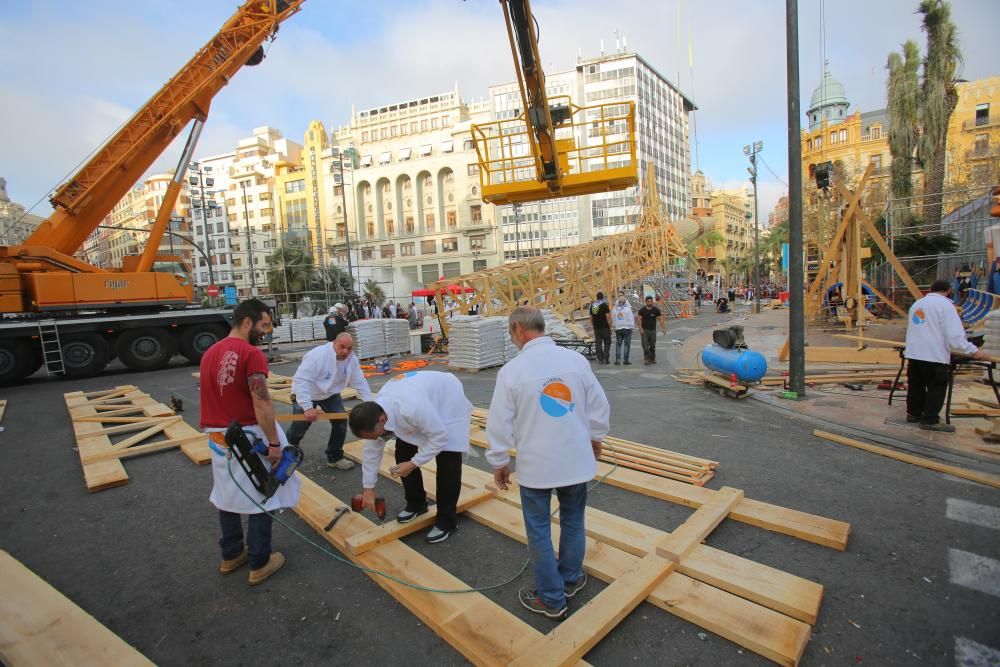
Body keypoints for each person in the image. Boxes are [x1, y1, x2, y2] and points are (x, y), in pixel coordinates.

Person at [486, 307, 610, 619]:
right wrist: (596, 438)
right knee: (573, 520)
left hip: (536, 468)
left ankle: (551, 599)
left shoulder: (512, 372)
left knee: (539, 531)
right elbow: (598, 407)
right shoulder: (576, 362)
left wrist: (499, 461)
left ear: (517, 329)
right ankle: (569, 579)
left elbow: (499, 424)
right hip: (574, 462)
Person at [200, 299, 298, 585]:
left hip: (219, 438)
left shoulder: (210, 354)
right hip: (248, 436)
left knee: (226, 497)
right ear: (247, 322)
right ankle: (259, 561)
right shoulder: (250, 354)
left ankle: (231, 554)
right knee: (262, 494)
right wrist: (274, 444)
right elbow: (262, 401)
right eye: (263, 325)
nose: (265, 332)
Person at [348, 371, 473, 544]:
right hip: (419, 402)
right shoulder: (374, 414)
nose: (376, 440)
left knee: (448, 460)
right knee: (403, 452)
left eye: (375, 435)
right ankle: (417, 504)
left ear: (383, 420)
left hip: (447, 400)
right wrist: (368, 488)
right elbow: (371, 452)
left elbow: (440, 437)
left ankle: (447, 520)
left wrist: (414, 463)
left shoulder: (411, 407)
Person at [905, 279, 989, 432]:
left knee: (916, 384)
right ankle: (930, 420)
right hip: (933, 354)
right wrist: (974, 351)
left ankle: (914, 413)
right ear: (949, 290)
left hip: (914, 352)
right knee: (937, 385)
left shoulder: (917, 304)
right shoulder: (946, 306)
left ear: (930, 289)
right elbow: (955, 335)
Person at [286, 333, 373, 469]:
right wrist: (308, 407)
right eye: (342, 347)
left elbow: (359, 381)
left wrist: (370, 403)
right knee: (300, 425)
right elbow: (301, 380)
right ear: (334, 343)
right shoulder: (317, 356)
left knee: (340, 422)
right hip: (307, 392)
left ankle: (334, 457)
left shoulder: (351, 359)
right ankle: (289, 448)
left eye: (349, 348)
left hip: (330, 393)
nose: (345, 351)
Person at [635, 295, 666, 364]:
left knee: (652, 345)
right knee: (645, 345)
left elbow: (660, 319)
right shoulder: (642, 310)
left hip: (653, 330)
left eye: (651, 301)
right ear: (646, 302)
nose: (650, 303)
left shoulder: (656, 310)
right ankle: (646, 358)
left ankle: (652, 358)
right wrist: (640, 329)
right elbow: (639, 319)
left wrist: (663, 328)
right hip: (644, 330)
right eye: (648, 301)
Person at [589, 291, 612, 364]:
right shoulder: (604, 305)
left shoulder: (593, 306)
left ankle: (600, 359)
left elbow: (590, 318)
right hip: (605, 327)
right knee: (607, 343)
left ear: (597, 297)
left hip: (596, 328)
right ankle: (606, 358)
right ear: (602, 297)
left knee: (598, 343)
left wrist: (594, 325)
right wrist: (610, 327)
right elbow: (608, 317)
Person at [610, 293, 634, 365]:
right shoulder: (627, 309)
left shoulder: (614, 309)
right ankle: (625, 360)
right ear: (625, 302)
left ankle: (617, 360)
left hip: (618, 329)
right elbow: (631, 319)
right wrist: (631, 327)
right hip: (626, 328)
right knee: (627, 345)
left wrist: (614, 326)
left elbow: (613, 319)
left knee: (618, 345)